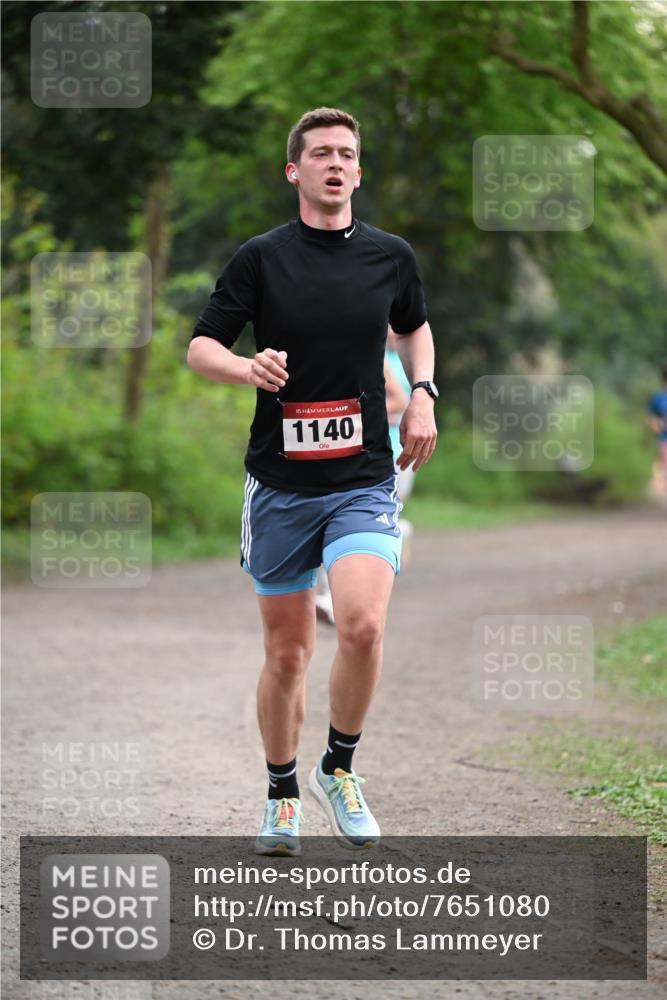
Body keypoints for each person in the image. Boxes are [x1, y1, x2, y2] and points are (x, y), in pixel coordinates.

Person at [187, 107, 438, 856]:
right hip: (280, 484)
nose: (335, 162)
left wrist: (422, 394)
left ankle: (340, 767)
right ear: (294, 171)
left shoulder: (389, 257)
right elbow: (202, 346)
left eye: (347, 153)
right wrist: (245, 366)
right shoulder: (261, 259)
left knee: (361, 624)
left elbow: (414, 325)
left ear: (358, 172)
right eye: (320, 153)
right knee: (289, 653)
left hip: (362, 476)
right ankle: (280, 792)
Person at [315, 337, 416, 626]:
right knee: (370, 519)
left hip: (388, 454)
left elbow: (399, 399)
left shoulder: (381, 356)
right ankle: (336, 595)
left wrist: (350, 414)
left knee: (343, 519)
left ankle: (333, 598)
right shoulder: (404, 360)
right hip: (392, 453)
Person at [646, 367, 667, 501]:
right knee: (664, 460)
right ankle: (660, 483)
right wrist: (656, 427)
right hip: (664, 436)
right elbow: (650, 417)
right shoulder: (658, 397)